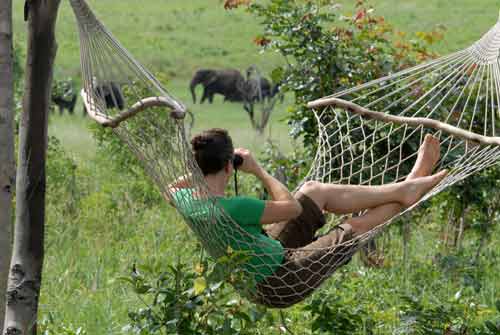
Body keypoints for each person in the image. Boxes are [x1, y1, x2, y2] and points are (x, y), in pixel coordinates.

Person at [171, 128, 447, 307]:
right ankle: (411, 184)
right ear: (230, 165)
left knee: (314, 191)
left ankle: (405, 188)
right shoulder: (236, 207)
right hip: (280, 281)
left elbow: (171, 188)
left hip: (267, 259)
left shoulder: (185, 200)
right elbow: (292, 209)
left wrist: (201, 170)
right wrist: (257, 170)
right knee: (354, 228)